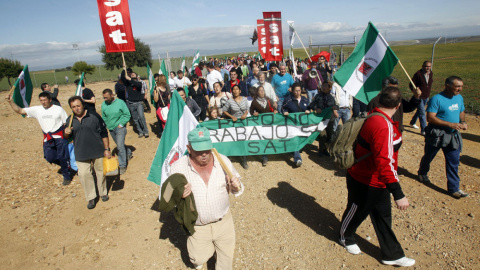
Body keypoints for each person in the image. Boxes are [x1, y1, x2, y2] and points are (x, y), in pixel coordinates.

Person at [339, 86, 415, 267]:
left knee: (382, 216)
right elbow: (384, 162)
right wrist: (398, 194)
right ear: (397, 106)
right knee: (356, 210)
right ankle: (345, 236)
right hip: (365, 179)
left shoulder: (374, 115)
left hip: (377, 181)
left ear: (379, 101)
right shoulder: (382, 125)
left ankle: (391, 254)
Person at [169, 126, 243, 270]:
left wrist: (235, 186)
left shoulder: (223, 162)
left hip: (224, 222)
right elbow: (166, 197)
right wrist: (178, 196)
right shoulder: (177, 168)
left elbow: (239, 188)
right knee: (198, 258)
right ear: (189, 148)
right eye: (199, 150)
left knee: (226, 261)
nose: (204, 154)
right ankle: (205, 253)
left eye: (207, 149)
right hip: (197, 226)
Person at [418, 76, 468, 198]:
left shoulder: (459, 98)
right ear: (448, 86)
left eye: (461, 86)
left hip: (453, 135)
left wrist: (463, 122)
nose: (460, 89)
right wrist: (450, 124)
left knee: (453, 161)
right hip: (437, 134)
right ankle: (422, 172)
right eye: (457, 86)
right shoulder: (437, 99)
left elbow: (461, 111)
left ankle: (453, 188)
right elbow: (430, 118)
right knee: (429, 155)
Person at [6, 91, 72, 185]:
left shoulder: (58, 109)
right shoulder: (37, 110)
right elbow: (20, 110)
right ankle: (66, 165)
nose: (43, 102)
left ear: (50, 100)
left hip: (59, 137)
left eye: (45, 100)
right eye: (41, 100)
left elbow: (66, 123)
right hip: (47, 138)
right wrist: (10, 102)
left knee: (62, 156)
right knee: (50, 157)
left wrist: (68, 133)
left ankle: (67, 176)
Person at [64, 96, 111, 209]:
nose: (76, 108)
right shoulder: (70, 120)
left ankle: (103, 192)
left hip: (97, 150)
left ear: (83, 105)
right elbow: (67, 138)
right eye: (73, 107)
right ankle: (91, 197)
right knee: (84, 175)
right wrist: (66, 132)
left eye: (78, 106)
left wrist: (107, 149)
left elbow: (104, 133)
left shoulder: (94, 116)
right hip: (81, 152)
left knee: (100, 173)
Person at [101, 89, 132, 175]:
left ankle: (122, 165)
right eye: (104, 98)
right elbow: (104, 116)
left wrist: (121, 124)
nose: (106, 99)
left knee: (119, 146)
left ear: (112, 95)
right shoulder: (104, 104)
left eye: (107, 97)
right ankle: (128, 152)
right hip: (111, 128)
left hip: (120, 128)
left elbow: (127, 114)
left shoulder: (120, 102)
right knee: (120, 144)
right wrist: (106, 125)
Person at [282, 83, 310, 167]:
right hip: (292, 124)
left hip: (302, 125)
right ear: (292, 91)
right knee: (295, 140)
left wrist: (309, 111)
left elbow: (309, 108)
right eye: (296, 90)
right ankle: (297, 158)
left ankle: (293, 150)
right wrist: (284, 112)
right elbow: (283, 108)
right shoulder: (288, 100)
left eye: (299, 90)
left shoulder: (305, 99)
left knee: (299, 140)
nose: (298, 92)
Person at [308, 81, 339, 156]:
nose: (323, 87)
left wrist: (335, 108)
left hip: (330, 119)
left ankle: (325, 149)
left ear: (329, 88)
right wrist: (316, 108)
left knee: (329, 135)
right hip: (321, 119)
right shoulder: (318, 96)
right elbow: (311, 105)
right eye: (323, 86)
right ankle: (321, 150)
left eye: (325, 86)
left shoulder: (332, 97)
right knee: (322, 134)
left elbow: (336, 106)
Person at [223, 85, 249, 169]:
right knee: (234, 140)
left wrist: (245, 114)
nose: (235, 91)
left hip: (243, 122)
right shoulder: (229, 101)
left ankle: (244, 160)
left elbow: (247, 109)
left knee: (244, 141)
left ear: (240, 91)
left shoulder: (244, 99)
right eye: (233, 89)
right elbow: (224, 111)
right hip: (234, 123)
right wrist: (231, 116)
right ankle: (232, 157)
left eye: (237, 89)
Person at [250, 85, 277, 166]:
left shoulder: (268, 100)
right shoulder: (254, 102)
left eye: (263, 90)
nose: (262, 92)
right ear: (257, 92)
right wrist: (254, 113)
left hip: (269, 123)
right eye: (260, 90)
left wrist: (275, 110)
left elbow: (274, 108)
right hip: (260, 124)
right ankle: (264, 157)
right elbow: (251, 112)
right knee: (263, 140)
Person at [121, 67, 149, 138]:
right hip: (131, 103)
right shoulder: (127, 84)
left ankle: (145, 131)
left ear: (136, 76)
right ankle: (140, 132)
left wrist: (130, 79)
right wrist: (124, 70)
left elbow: (138, 85)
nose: (132, 74)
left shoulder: (139, 83)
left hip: (139, 103)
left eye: (133, 74)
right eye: (130, 73)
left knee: (141, 117)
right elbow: (122, 77)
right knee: (135, 119)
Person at [409, 61, 434, 135]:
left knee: (420, 111)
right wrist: (415, 91)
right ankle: (424, 130)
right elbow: (411, 84)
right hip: (419, 97)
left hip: (426, 96)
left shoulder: (431, 73)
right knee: (422, 112)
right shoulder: (418, 74)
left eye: (429, 66)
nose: (428, 68)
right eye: (426, 66)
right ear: (422, 66)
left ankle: (412, 122)